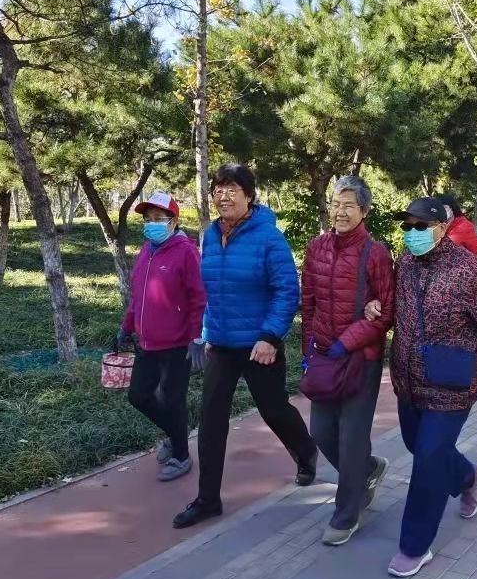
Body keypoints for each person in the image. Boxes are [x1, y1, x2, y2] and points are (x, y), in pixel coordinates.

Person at [173, 164, 318, 530]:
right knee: (210, 421)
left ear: (250, 195)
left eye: (232, 188)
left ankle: (305, 450)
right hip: (222, 344)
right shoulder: (209, 235)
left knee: (273, 410)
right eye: (218, 189)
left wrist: (270, 336)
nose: (223, 195)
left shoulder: (269, 238)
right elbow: (212, 292)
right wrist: (206, 333)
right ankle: (208, 499)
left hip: (259, 345)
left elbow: (287, 291)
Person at [383, 196, 477, 578]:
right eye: (407, 226)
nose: (412, 233)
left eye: (420, 226)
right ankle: (467, 477)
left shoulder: (468, 271)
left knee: (427, 458)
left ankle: (414, 546)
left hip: (451, 382)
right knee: (418, 445)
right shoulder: (406, 263)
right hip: (409, 379)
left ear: (442, 228)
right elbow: (396, 306)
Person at [300, 176, 396, 546]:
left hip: (361, 359)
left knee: (352, 437)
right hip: (325, 357)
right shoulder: (316, 248)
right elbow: (308, 303)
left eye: (348, 206)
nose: (340, 212)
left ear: (364, 211)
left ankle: (347, 512)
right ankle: (369, 470)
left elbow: (385, 311)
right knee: (322, 432)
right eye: (336, 204)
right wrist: (310, 351)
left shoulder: (376, 253)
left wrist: (347, 342)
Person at [118, 191, 207, 482]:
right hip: (147, 342)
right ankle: (176, 431)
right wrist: (126, 327)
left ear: (174, 221)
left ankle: (181, 455)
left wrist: (197, 338)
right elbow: (137, 297)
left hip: (177, 343)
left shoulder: (186, 252)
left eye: (158, 219)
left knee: (172, 400)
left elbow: (198, 298)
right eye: (147, 219)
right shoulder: (145, 251)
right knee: (138, 395)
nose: (152, 224)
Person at [437, 193, 477, 263]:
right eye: (438, 209)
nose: (441, 212)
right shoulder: (436, 227)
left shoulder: (464, 226)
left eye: (444, 208)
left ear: (452, 208)